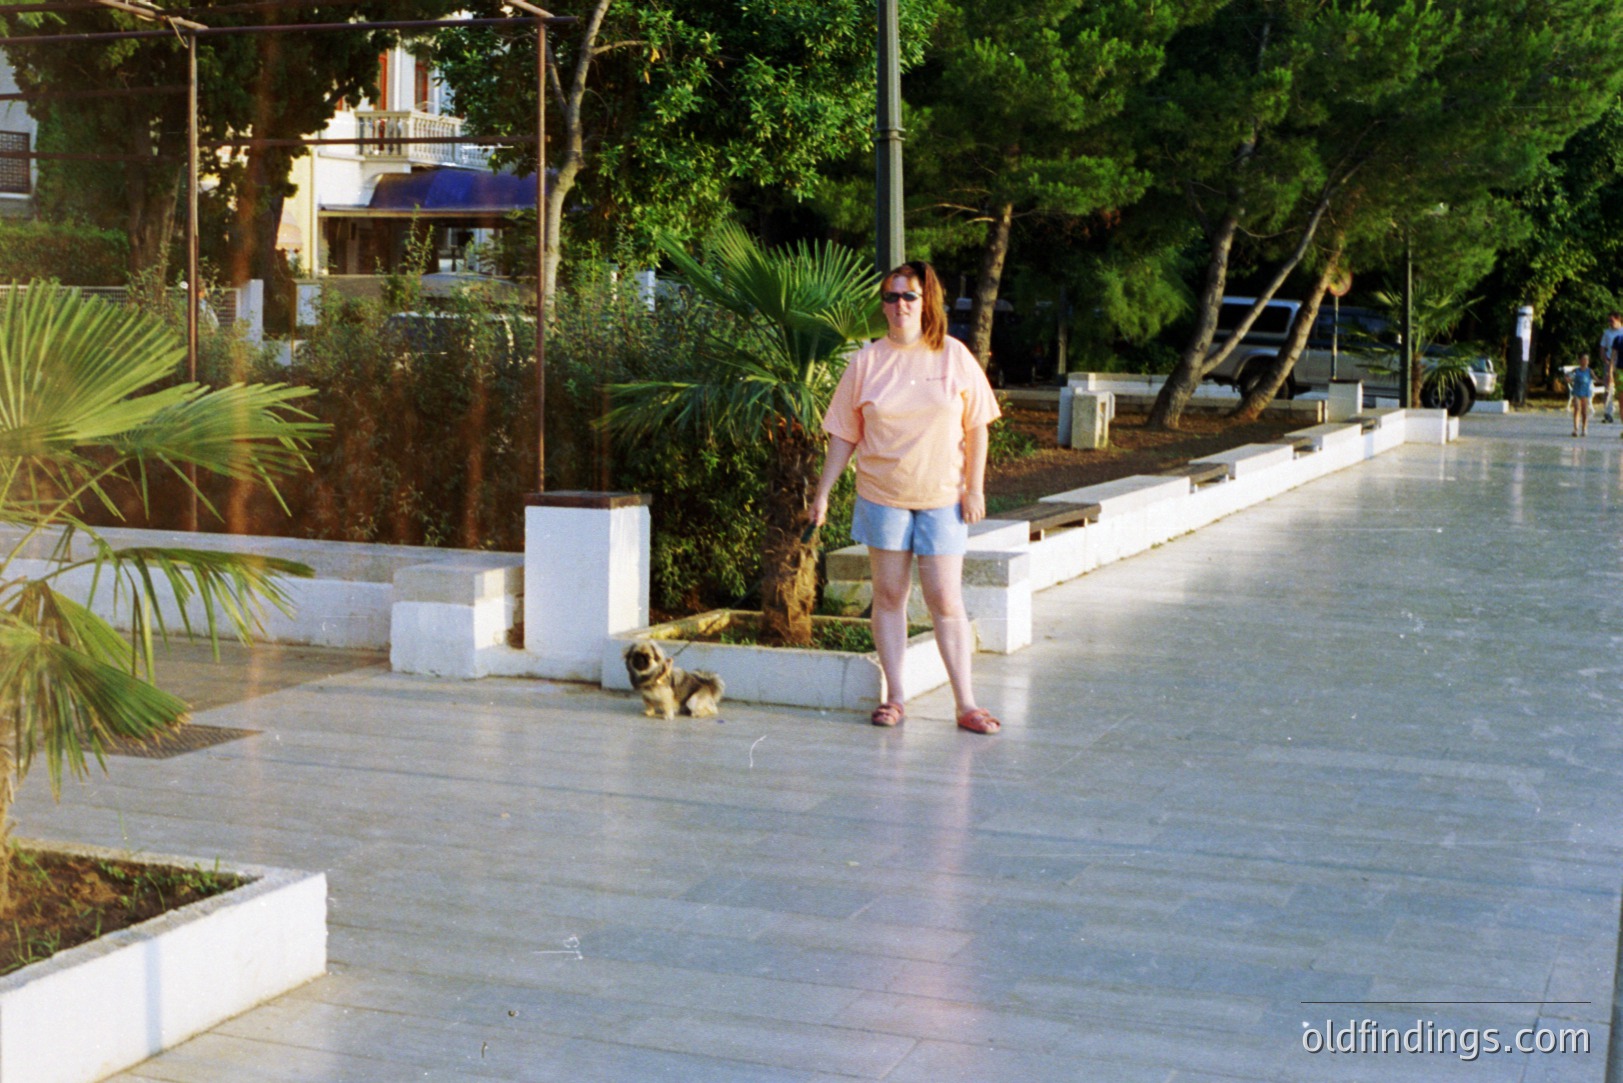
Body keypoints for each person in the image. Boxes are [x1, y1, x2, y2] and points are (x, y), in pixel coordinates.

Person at [810, 260, 1004, 734]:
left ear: (926, 302)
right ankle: (894, 698)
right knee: (890, 596)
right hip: (883, 497)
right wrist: (823, 494)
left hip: (942, 499)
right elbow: (843, 434)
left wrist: (974, 488)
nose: (899, 306)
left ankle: (967, 704)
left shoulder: (953, 356)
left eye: (908, 297)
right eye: (891, 297)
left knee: (945, 599)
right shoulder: (866, 361)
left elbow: (977, 427)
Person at [1597, 311, 1622, 423]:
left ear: (1618, 320)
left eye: (1611, 320)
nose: (1610, 323)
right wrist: (1604, 359)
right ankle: (1608, 412)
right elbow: (1602, 347)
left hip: (1621, 362)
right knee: (1608, 387)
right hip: (1610, 361)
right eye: (1608, 321)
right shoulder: (1607, 332)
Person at [1570, 353, 1595, 437]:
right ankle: (1575, 429)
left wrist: (1605, 381)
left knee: (1584, 411)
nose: (1585, 361)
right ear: (1580, 360)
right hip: (1576, 392)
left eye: (1587, 360)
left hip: (1585, 393)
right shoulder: (1576, 370)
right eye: (1583, 359)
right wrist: (1567, 378)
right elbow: (1568, 376)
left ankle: (1584, 428)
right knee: (1577, 409)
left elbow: (1596, 379)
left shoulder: (1589, 371)